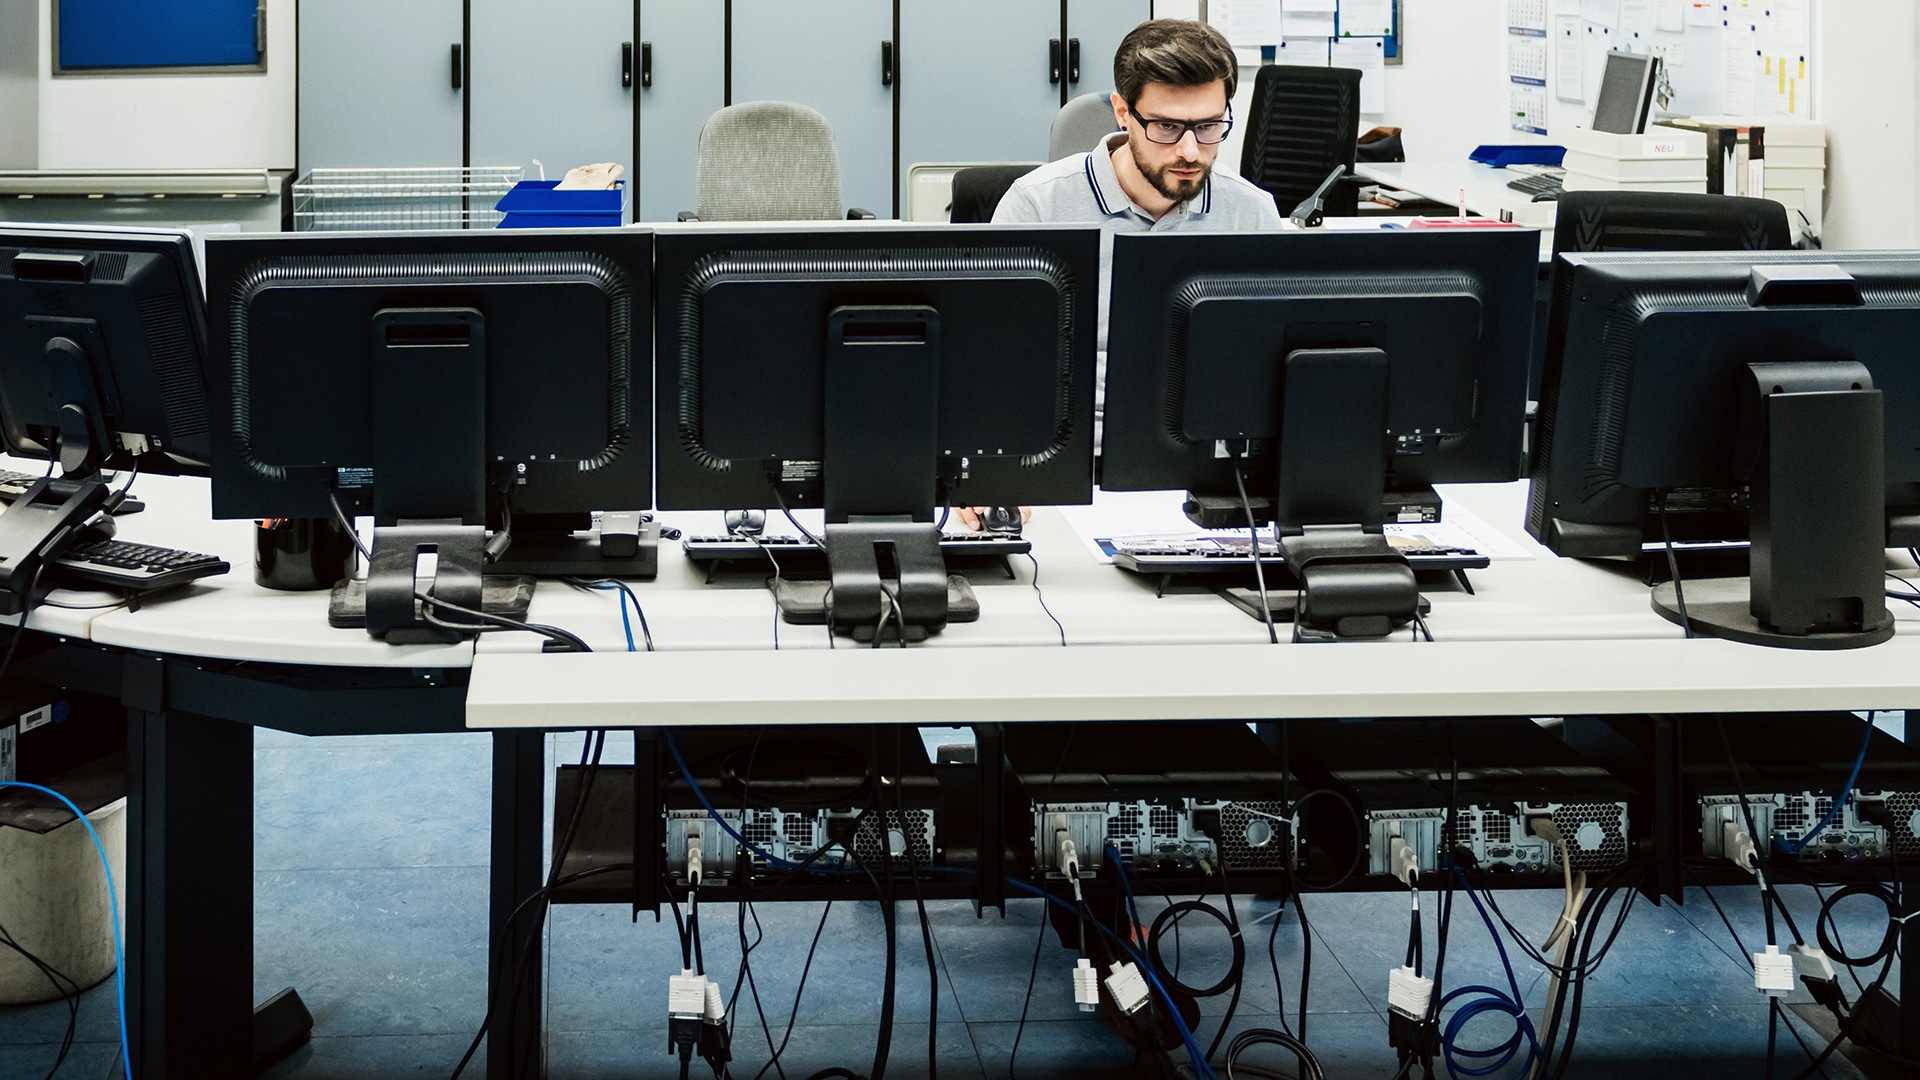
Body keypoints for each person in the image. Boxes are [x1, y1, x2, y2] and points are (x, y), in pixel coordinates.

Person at [957, 19, 1279, 531]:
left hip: (1212, 476)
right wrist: (988, 473)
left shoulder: (1253, 214)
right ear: (1124, 111)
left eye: (1209, 126)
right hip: (1065, 470)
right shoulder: (1038, 206)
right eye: (1168, 127)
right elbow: (985, 367)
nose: (1191, 151)